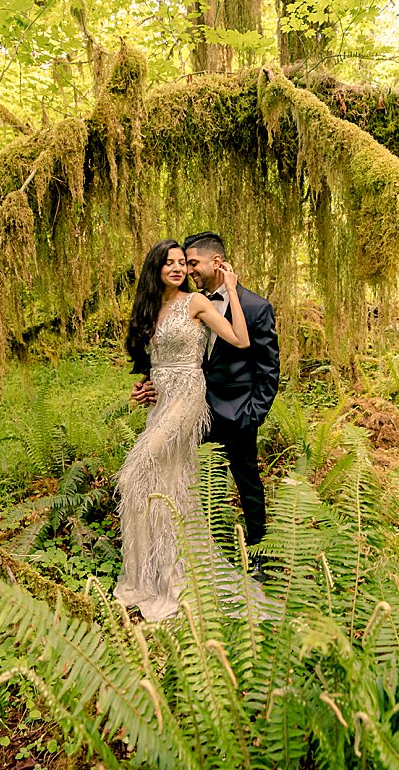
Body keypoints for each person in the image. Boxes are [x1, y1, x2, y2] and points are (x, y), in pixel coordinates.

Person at [114, 239, 252, 621]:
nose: (178, 269)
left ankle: (170, 575)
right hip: (160, 402)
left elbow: (240, 340)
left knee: (133, 475)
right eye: (169, 263)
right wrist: (144, 385)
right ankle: (151, 577)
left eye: (182, 263)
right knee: (163, 484)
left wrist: (231, 292)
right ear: (155, 269)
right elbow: (156, 362)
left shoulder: (196, 303)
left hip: (188, 398)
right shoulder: (150, 309)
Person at [132, 231, 280, 574]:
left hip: (239, 412)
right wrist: (150, 383)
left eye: (192, 262)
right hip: (195, 410)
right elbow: (175, 356)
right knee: (195, 482)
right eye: (182, 263)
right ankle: (205, 550)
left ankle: (260, 557)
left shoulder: (256, 307)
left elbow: (268, 370)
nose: (188, 270)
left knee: (248, 484)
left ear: (217, 262)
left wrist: (252, 414)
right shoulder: (188, 304)